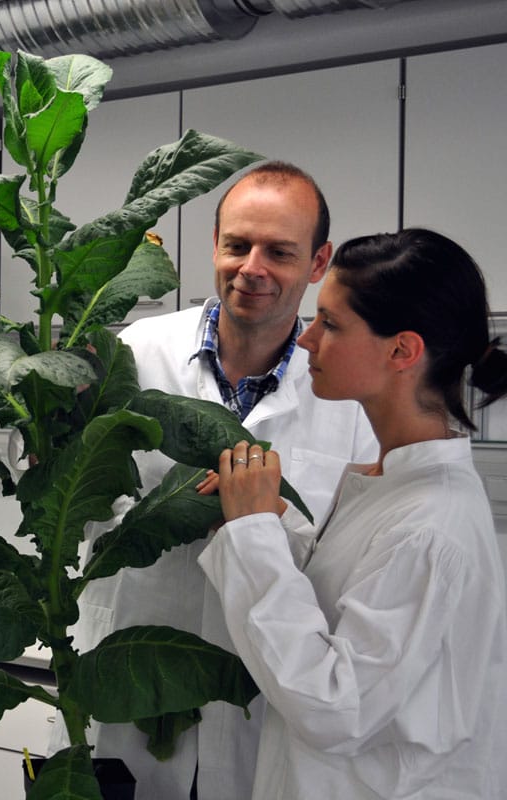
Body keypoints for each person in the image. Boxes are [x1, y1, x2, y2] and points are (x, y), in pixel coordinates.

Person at [56, 161, 379, 799]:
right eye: (237, 245)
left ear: (318, 263)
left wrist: (258, 524)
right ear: (214, 245)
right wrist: (53, 426)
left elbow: (354, 559)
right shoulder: (135, 351)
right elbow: (59, 489)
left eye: (279, 252)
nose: (252, 268)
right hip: (128, 684)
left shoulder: (348, 398)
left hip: (261, 706)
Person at [202, 228, 507, 798]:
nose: (307, 339)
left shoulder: (429, 526)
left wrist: (253, 535)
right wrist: (269, 519)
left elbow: (336, 706)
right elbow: (339, 604)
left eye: (331, 324)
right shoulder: (390, 482)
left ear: (402, 351)